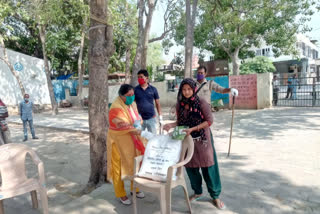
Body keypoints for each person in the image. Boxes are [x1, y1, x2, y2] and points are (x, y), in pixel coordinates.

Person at [163, 78, 226, 210]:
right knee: (191, 167)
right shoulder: (179, 105)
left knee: (208, 167)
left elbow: (209, 121)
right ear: (181, 90)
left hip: (203, 140)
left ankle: (215, 196)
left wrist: (193, 129)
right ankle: (197, 191)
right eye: (184, 89)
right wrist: (170, 125)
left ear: (193, 90)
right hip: (187, 140)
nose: (186, 92)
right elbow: (180, 123)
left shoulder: (201, 102)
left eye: (189, 89)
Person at [194, 65, 239, 209]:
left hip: (205, 122)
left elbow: (221, 90)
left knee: (209, 159)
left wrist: (230, 90)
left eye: (201, 73)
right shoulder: (192, 85)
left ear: (206, 74)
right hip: (191, 123)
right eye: (198, 73)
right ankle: (197, 191)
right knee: (191, 161)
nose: (199, 75)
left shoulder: (210, 84)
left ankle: (215, 195)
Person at [107, 84, 146, 205]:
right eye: (129, 95)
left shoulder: (132, 104)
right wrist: (133, 127)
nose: (132, 97)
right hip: (118, 141)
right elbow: (119, 123)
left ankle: (136, 189)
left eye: (133, 94)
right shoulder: (115, 106)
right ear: (121, 96)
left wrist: (138, 122)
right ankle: (121, 194)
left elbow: (138, 117)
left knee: (136, 163)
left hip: (133, 139)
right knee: (118, 167)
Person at [134, 69, 162, 134]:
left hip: (151, 118)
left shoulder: (153, 89)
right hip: (139, 119)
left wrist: (160, 116)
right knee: (140, 138)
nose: (139, 79)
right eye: (138, 77)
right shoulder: (135, 90)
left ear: (146, 78)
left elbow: (157, 103)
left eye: (141, 77)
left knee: (153, 138)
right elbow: (133, 103)